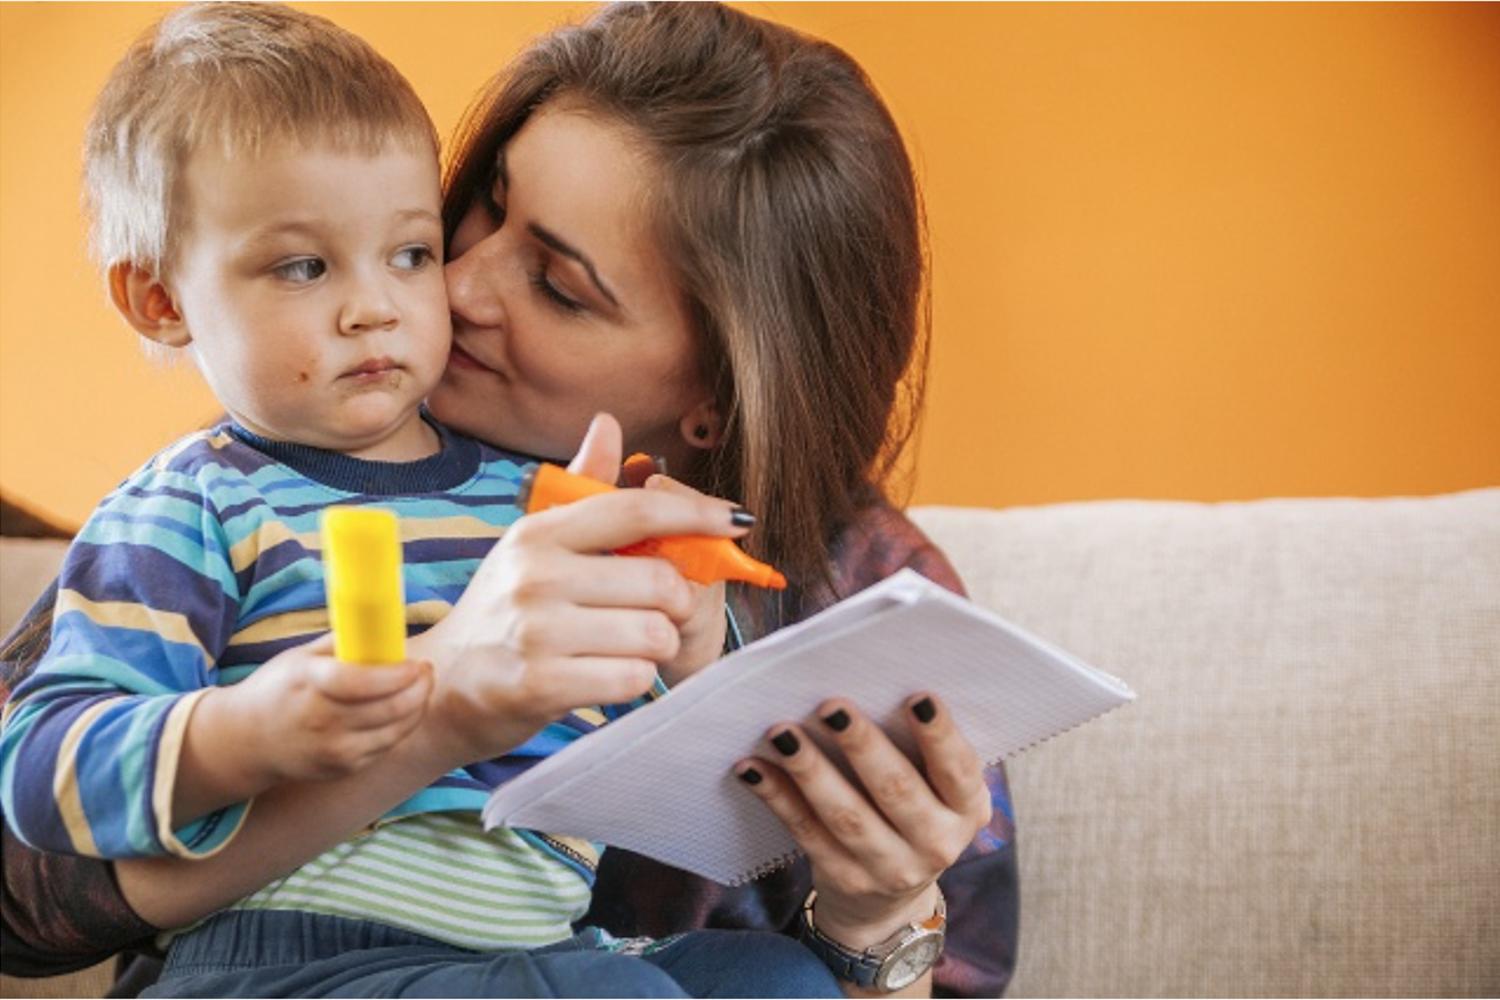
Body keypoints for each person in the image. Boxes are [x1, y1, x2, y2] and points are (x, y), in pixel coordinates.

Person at [1, 2, 1019, 997]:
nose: (455, 283)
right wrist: (398, 712)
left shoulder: (860, 585)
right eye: (480, 207)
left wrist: (875, 914)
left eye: (560, 286)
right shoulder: (246, 481)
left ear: (717, 398)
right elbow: (27, 859)